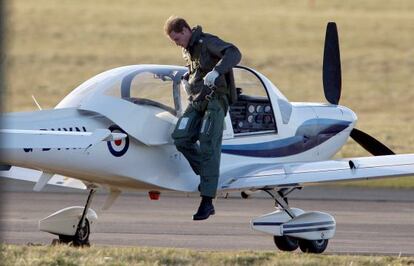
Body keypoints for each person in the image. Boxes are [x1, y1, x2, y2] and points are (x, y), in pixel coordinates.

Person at [164, 16, 241, 220]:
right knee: (180, 137)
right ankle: (209, 177)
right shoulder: (187, 50)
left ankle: (207, 201)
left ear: (185, 30)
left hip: (216, 99)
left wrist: (217, 71)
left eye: (177, 39)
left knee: (208, 142)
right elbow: (197, 73)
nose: (177, 44)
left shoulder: (207, 42)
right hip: (198, 100)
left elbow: (234, 53)